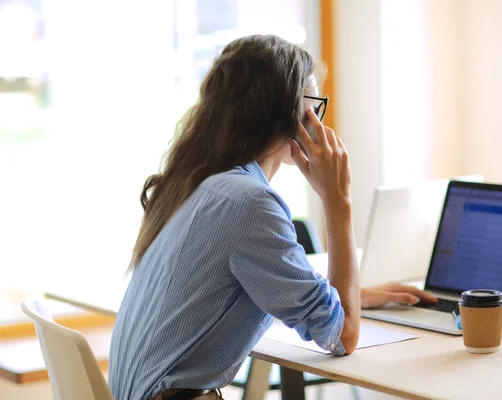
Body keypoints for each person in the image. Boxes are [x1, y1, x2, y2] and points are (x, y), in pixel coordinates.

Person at [108, 35, 436, 400]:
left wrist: (352, 297)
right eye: (312, 108)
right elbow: (344, 337)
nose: (318, 124)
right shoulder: (250, 202)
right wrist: (338, 200)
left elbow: (248, 287)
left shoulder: (198, 183)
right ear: (284, 116)